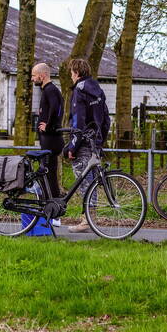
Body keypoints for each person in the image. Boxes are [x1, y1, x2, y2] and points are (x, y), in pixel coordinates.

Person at [63, 58, 107, 233]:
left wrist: (72, 146)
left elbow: (78, 122)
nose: (71, 77)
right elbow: (106, 119)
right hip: (95, 141)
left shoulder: (79, 91)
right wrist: (100, 141)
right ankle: (90, 218)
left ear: (76, 73)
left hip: (83, 143)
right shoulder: (98, 90)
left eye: (71, 73)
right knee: (92, 182)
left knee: (84, 182)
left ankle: (86, 221)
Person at [32, 62, 63, 201]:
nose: (32, 79)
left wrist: (48, 126)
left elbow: (56, 110)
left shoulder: (50, 90)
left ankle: (50, 204)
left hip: (51, 139)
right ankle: (51, 204)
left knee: (48, 173)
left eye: (34, 75)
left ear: (42, 75)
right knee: (49, 172)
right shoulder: (47, 90)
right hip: (49, 139)